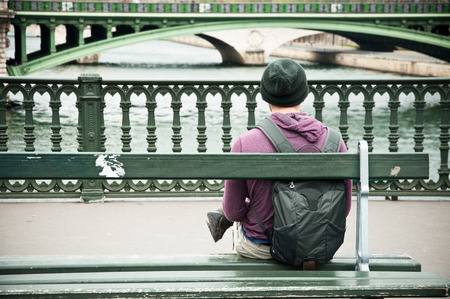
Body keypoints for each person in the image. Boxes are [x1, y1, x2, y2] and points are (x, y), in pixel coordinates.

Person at [206, 58, 352, 259]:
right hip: (318, 248)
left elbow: (233, 212)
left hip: (261, 249)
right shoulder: (335, 142)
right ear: (303, 94)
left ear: (265, 96)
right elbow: (343, 210)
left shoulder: (245, 143)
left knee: (238, 213)